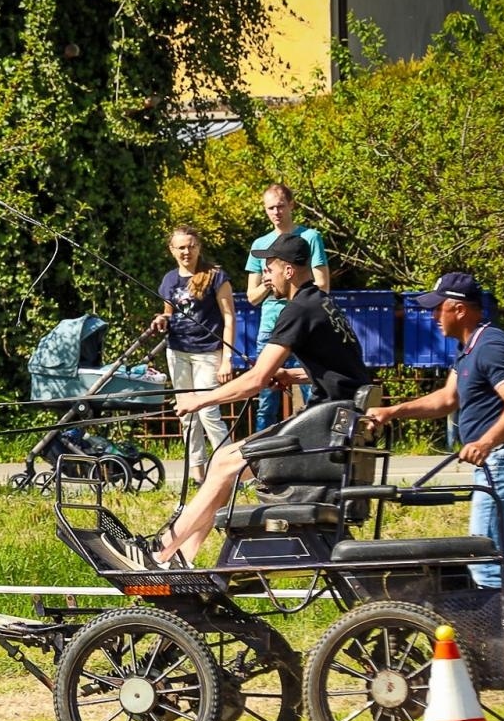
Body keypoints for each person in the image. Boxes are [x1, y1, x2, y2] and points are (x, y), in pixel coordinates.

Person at [366, 272, 504, 682]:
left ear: (459, 309)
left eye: (437, 309)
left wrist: (485, 441)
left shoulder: (492, 346)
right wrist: (392, 411)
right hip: (502, 460)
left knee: (487, 563)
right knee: (501, 561)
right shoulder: (469, 350)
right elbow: (447, 400)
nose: (433, 317)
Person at [154, 233, 370, 566]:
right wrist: (294, 375)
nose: (264, 275)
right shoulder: (322, 303)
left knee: (224, 462)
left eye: (269, 267)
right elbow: (348, 372)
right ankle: (181, 555)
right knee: (226, 462)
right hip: (340, 422)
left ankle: (162, 551)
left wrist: (199, 400)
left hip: (328, 431)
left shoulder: (297, 309)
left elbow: (254, 380)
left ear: (288, 270)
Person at [151, 225, 236, 484]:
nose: (187, 251)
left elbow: (230, 317)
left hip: (209, 352)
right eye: (181, 247)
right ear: (172, 250)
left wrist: (227, 358)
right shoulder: (169, 280)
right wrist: (161, 319)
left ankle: (230, 472)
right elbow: (169, 313)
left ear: (199, 247)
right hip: (177, 352)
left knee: (209, 413)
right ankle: (197, 474)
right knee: (188, 415)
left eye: (191, 246)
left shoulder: (216, 277)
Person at [245, 183, 330, 432]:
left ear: (291, 205)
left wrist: (291, 286)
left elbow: (323, 284)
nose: (276, 212)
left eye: (281, 206)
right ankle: (260, 453)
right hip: (270, 328)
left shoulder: (310, 237)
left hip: (304, 326)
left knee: (312, 390)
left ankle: (314, 444)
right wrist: (271, 284)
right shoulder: (259, 245)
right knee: (266, 397)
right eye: (270, 207)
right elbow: (252, 296)